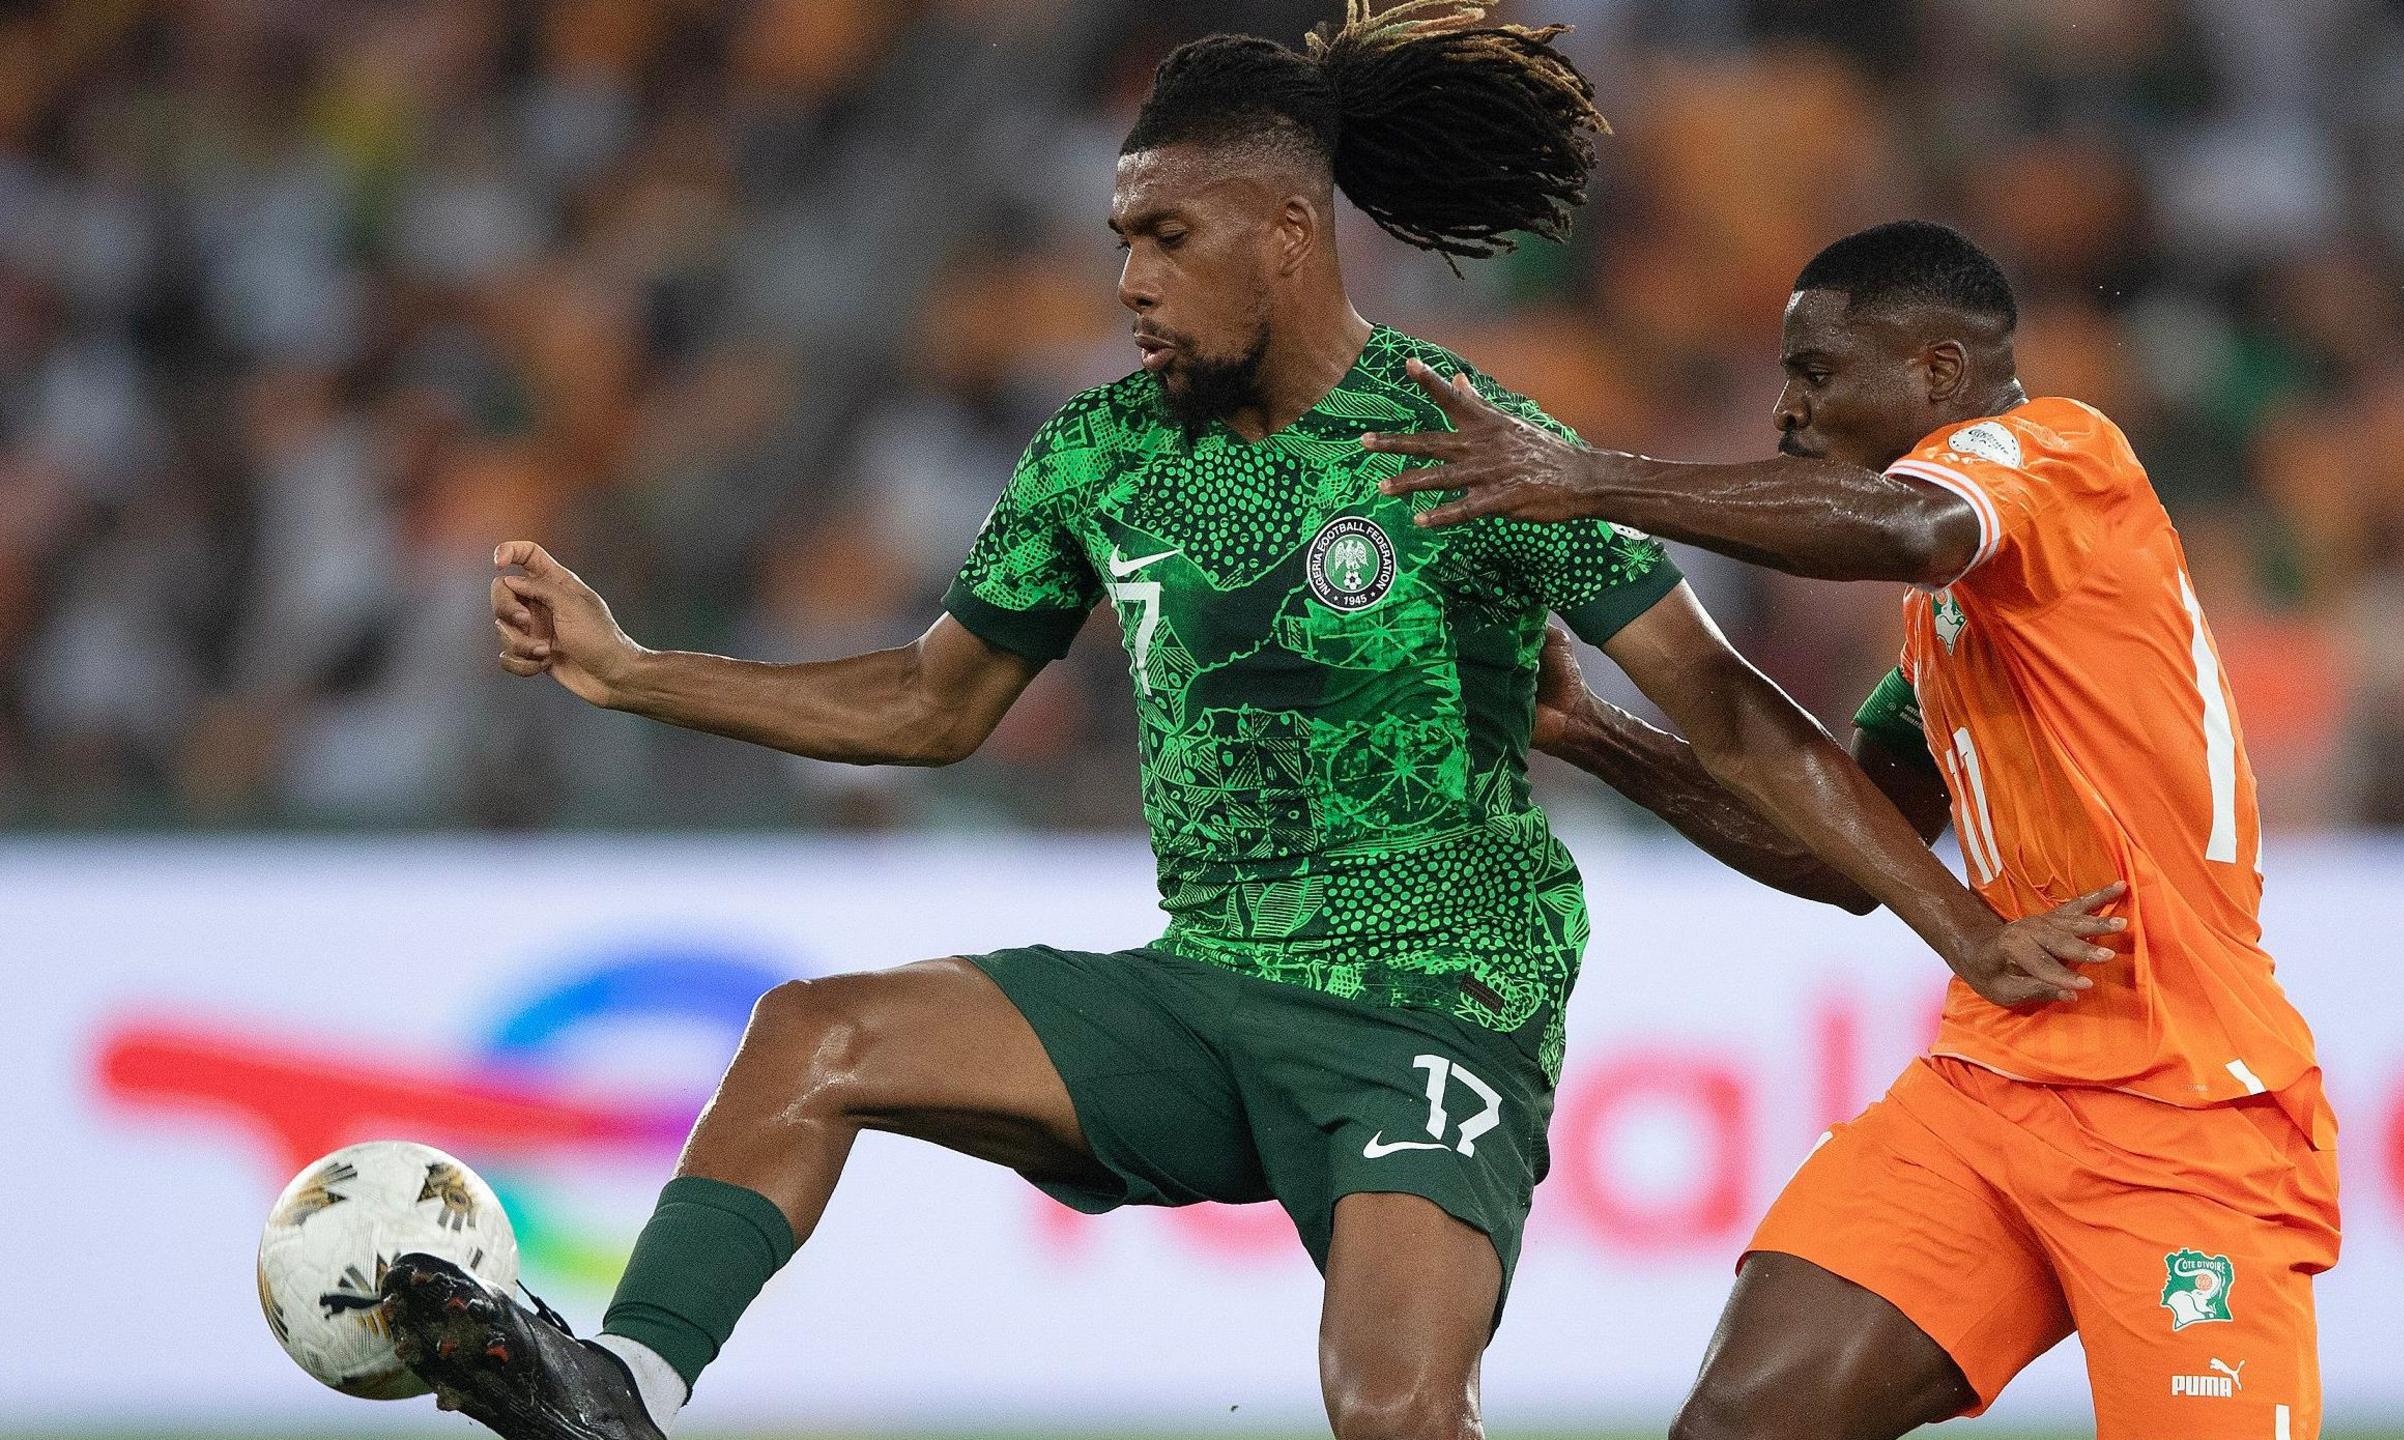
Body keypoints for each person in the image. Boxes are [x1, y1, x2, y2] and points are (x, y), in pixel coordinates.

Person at [384, 15, 2114, 1434]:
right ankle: (628, 1387)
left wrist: (1960, 925)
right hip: (1206, 989)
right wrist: (634, 671)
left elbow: (1739, 727)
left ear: (1286, 237)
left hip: (1437, 997)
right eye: (1118, 238)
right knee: (809, 1035)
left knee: (1389, 1409)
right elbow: (932, 701)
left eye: (1163, 236)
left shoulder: (1470, 441)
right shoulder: (1099, 452)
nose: (1128, 278)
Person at [1372, 219, 2339, 1440]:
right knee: (1736, 1426)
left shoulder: (2061, 455)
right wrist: (1590, 731)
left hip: (2181, 1104)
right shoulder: (1950, 626)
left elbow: (1901, 527)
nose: (1784, 409)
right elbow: (1831, 852)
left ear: (1935, 374)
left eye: (1815, 374)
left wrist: (1586, 478)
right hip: (1993, 1085)